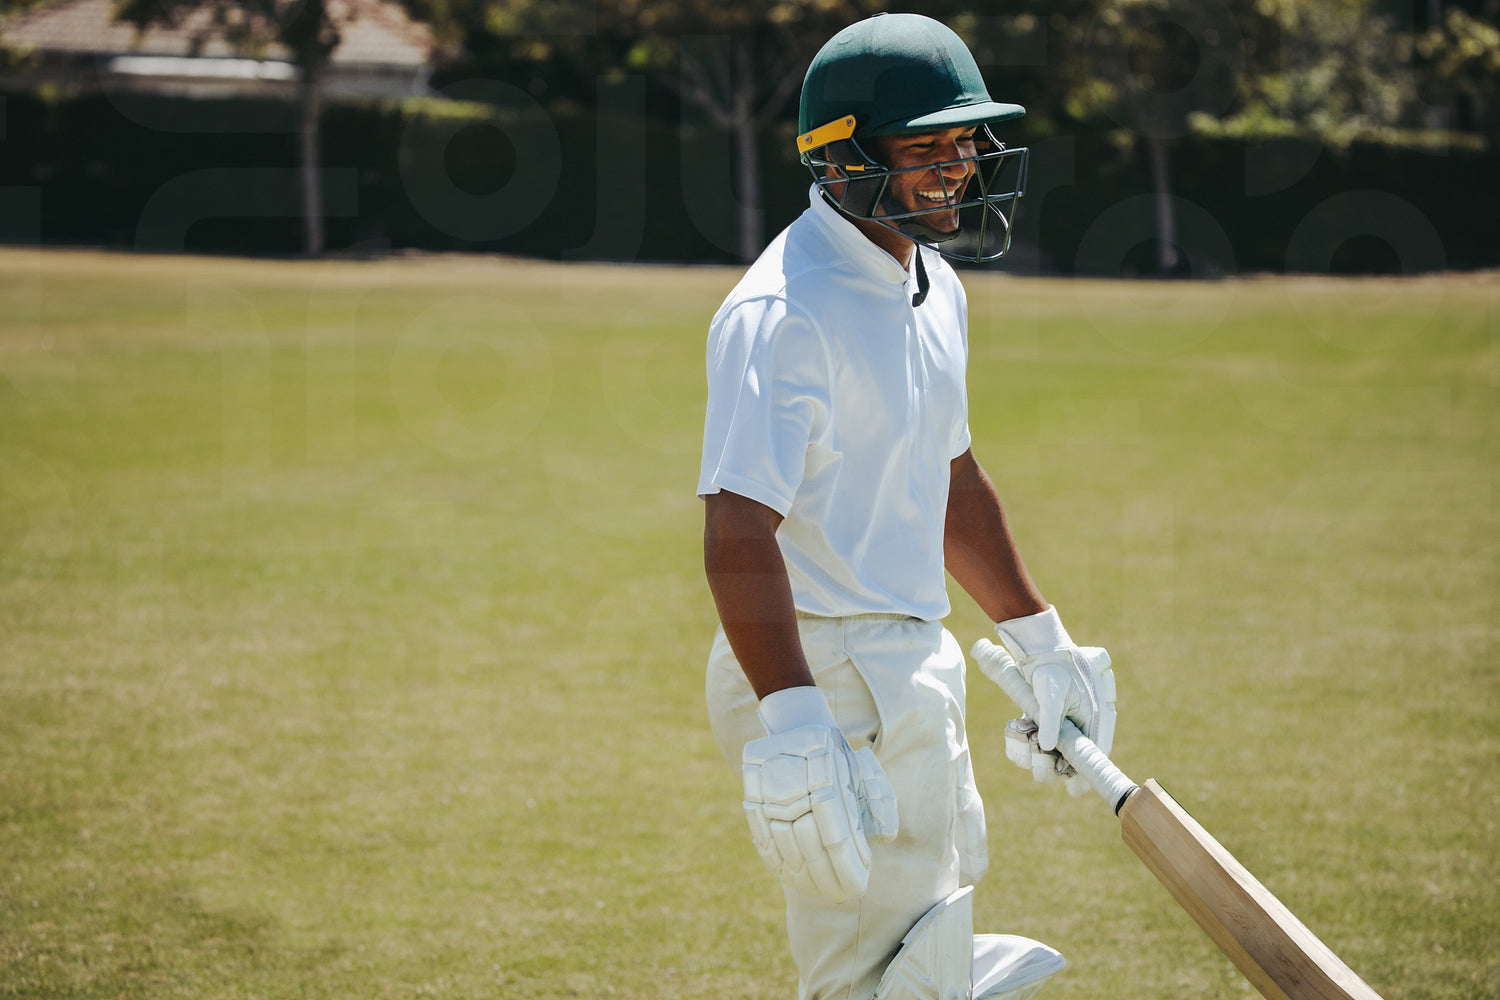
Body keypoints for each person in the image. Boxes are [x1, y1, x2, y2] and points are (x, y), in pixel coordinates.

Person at [698, 13, 1118, 1000]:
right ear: (841, 156)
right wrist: (797, 722)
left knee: (928, 951)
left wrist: (1043, 642)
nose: (958, 167)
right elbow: (736, 528)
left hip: (911, 657)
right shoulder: (782, 311)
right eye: (926, 147)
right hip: (821, 663)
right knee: (866, 978)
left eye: (964, 141)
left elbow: (951, 478)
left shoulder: (934, 284)